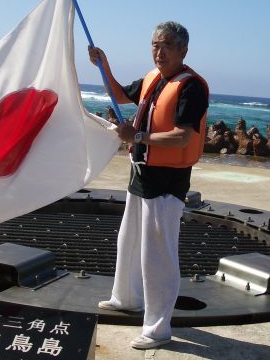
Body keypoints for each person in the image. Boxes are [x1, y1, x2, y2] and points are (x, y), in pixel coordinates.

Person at [88, 21, 209, 350]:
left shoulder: (191, 87)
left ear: (183, 50)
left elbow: (184, 136)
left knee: (158, 257)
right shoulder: (152, 79)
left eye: (167, 45)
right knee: (128, 242)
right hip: (140, 176)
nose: (159, 51)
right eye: (155, 44)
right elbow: (117, 94)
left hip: (167, 183)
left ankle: (157, 329)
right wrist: (103, 64)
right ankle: (125, 298)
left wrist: (137, 136)